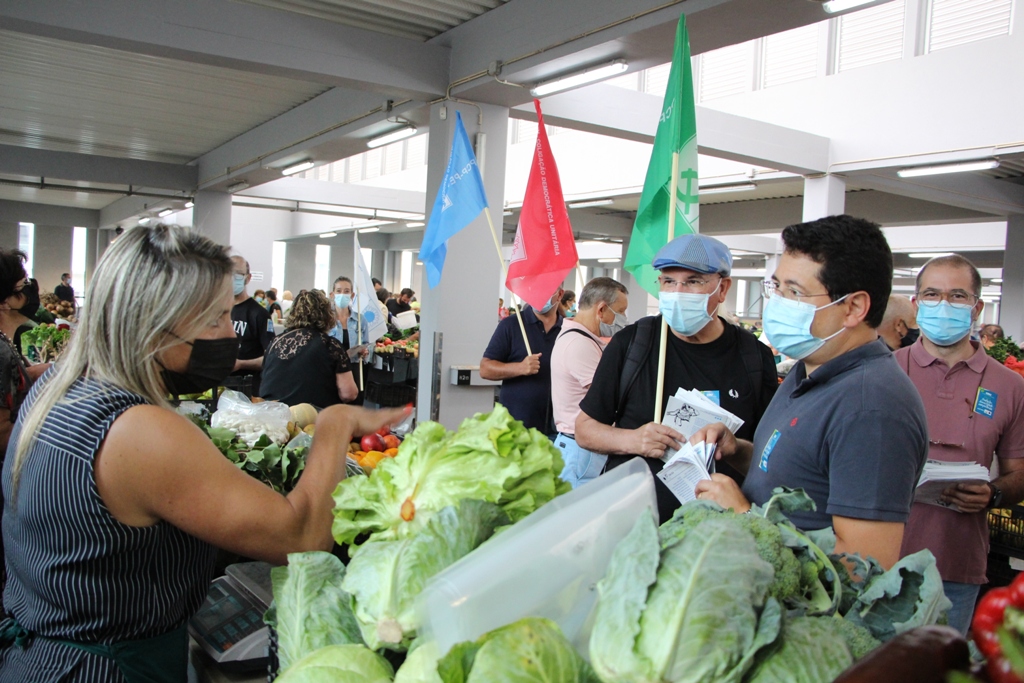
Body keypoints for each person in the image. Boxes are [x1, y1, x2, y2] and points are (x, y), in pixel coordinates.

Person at [0, 225, 408, 680]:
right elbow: (301, 537)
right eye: (213, 318)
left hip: (38, 654)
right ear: (153, 322)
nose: (225, 334)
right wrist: (336, 423)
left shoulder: (58, 390)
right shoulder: (138, 431)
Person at [692, 215, 929, 570]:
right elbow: (808, 475)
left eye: (795, 293)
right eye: (777, 289)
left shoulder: (871, 409)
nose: (778, 304)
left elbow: (864, 568)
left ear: (853, 307)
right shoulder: (810, 367)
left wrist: (744, 516)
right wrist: (738, 452)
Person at [576, 234, 777, 522]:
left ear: (723, 289)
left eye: (694, 281)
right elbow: (584, 429)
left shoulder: (754, 357)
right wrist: (633, 439)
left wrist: (736, 447)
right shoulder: (633, 344)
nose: (678, 291)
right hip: (633, 526)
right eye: (669, 281)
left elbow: (769, 455)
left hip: (718, 535)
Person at [895, 254, 1024, 635]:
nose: (943, 305)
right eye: (932, 294)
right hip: (880, 558)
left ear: (977, 307)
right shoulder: (885, 371)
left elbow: (1019, 471)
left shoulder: (1009, 386)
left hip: (958, 565)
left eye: (957, 296)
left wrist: (993, 494)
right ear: (917, 306)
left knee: (942, 670)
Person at [551, 278, 628, 488]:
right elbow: (609, 398)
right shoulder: (579, 344)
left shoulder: (583, 338)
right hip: (582, 451)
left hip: (584, 450)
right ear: (601, 309)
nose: (623, 319)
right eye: (621, 312)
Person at [480, 288, 564, 435]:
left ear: (560, 294)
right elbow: (485, 369)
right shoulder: (511, 325)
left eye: (546, 290)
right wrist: (520, 368)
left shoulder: (569, 330)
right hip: (516, 427)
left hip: (560, 430)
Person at [260, 290, 358, 406]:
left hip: (273, 413)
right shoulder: (330, 345)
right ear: (326, 314)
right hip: (313, 417)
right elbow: (349, 394)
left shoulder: (275, 342)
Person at [227, 256, 274, 397]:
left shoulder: (259, 314)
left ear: (247, 278)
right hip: (221, 386)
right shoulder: (218, 310)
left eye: (237, 274)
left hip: (249, 388)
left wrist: (241, 364)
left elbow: (271, 356)